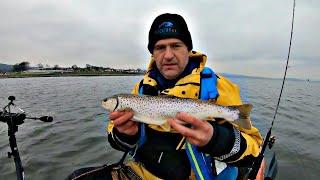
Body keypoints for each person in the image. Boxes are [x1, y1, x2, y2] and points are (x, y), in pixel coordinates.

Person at [106, 13, 262, 180]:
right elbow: (115, 139)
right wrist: (125, 134)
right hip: (142, 173)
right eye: (160, 48)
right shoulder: (141, 89)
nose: (168, 55)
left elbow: (255, 150)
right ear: (153, 53)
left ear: (188, 49)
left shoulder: (218, 87)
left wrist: (215, 138)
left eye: (176, 45)